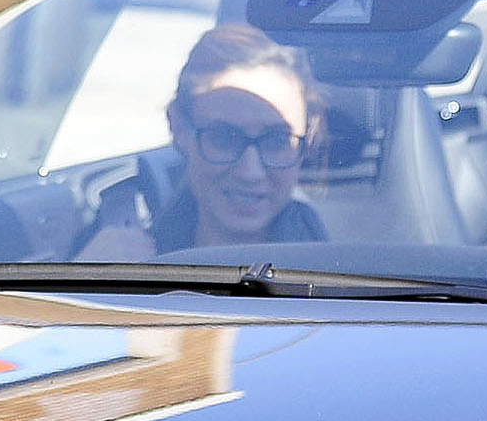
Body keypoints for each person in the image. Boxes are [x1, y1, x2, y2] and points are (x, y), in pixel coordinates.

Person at [76, 23, 327, 259]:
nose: (250, 173)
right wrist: (89, 279)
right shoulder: (118, 263)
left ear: (310, 135)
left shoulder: (341, 275)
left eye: (277, 141)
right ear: (178, 126)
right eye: (224, 138)